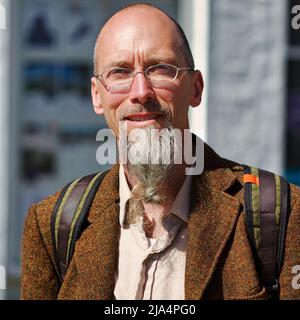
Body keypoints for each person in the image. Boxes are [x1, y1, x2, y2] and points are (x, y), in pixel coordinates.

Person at [21, 3, 300, 300]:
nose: (141, 91)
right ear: (96, 95)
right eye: (119, 72)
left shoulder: (281, 215)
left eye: (160, 69)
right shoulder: (53, 224)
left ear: (195, 88)